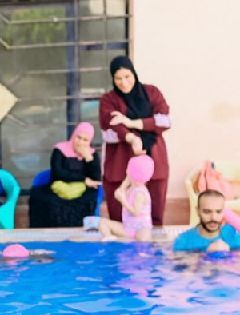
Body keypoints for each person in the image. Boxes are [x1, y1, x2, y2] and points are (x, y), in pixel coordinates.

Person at [99, 56, 170, 226]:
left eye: (127, 76)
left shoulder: (152, 92)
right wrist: (131, 137)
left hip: (153, 163)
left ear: (134, 74)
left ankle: (153, 244)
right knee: (119, 218)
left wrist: (130, 122)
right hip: (119, 165)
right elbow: (110, 125)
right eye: (118, 78)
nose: (123, 83)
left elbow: (164, 121)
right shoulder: (109, 100)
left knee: (154, 216)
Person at [28, 123, 102, 228]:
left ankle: (79, 231)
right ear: (74, 135)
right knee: (41, 199)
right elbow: (58, 173)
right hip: (59, 187)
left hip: (82, 191)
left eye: (85, 140)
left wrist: (88, 158)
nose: (80, 142)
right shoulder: (59, 150)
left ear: (90, 141)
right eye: (78, 137)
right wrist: (83, 179)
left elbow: (96, 179)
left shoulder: (92, 154)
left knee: (86, 203)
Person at [100, 155, 153, 242]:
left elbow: (136, 212)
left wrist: (123, 201)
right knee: (103, 223)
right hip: (127, 227)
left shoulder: (140, 193)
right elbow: (117, 193)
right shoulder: (131, 188)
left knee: (142, 238)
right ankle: (109, 237)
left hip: (141, 228)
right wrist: (125, 183)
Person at [173, 190, 240, 253]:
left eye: (218, 212)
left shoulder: (233, 235)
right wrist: (207, 255)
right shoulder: (184, 241)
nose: (213, 218)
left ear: (223, 212)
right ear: (198, 211)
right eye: (207, 212)